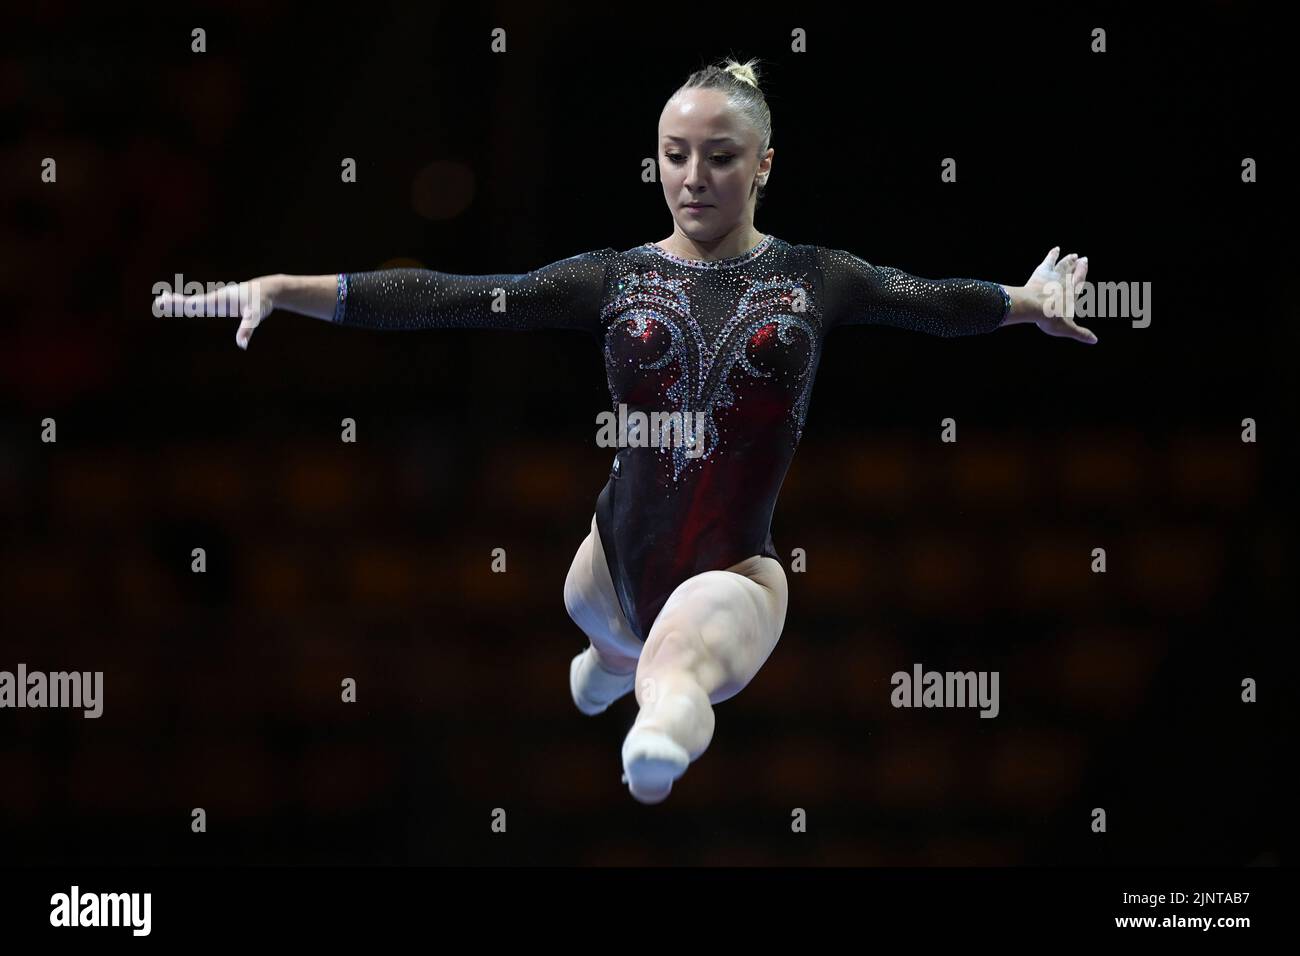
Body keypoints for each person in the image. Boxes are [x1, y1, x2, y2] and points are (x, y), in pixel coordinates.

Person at [156, 57, 1095, 805]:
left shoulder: (817, 276)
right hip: (607, 566)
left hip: (733, 574)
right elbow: (454, 299)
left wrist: (1027, 302)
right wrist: (286, 290)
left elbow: (927, 300)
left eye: (720, 156)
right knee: (618, 644)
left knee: (674, 659)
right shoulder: (611, 277)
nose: (693, 177)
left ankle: (653, 739)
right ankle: (609, 669)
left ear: (764, 162)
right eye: (674, 154)